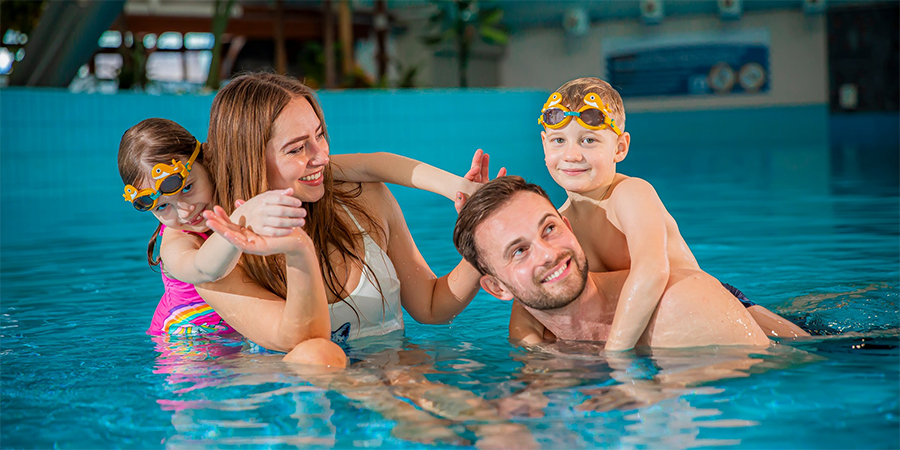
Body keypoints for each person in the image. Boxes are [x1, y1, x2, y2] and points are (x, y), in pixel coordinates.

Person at [196, 73, 484, 360]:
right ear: (250, 161)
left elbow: (431, 305)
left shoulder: (364, 200)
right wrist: (299, 248)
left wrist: (481, 239)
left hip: (396, 378)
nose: (321, 156)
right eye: (297, 148)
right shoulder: (222, 260)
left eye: (320, 135)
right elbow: (304, 342)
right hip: (306, 396)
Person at [534, 77, 807, 350]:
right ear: (544, 144)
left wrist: (615, 354)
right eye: (559, 140)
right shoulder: (559, 223)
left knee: (804, 349)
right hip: (658, 326)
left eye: (589, 140)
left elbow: (652, 272)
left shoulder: (630, 194)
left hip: (717, 307)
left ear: (620, 148)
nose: (571, 154)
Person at [454, 176, 786, 348]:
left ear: (569, 228)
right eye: (519, 251)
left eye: (549, 229)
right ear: (497, 287)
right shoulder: (541, 344)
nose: (548, 253)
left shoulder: (681, 306)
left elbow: (775, 396)